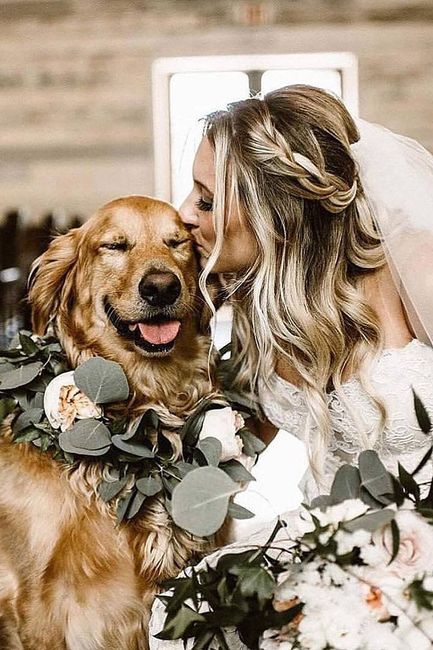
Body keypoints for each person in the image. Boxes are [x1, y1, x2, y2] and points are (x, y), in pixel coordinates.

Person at [149, 84, 433, 648]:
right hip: (326, 542)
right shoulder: (261, 302)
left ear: (271, 217)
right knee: (178, 614)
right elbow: (236, 438)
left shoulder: (413, 270)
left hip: (417, 556)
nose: (183, 212)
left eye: (206, 200)